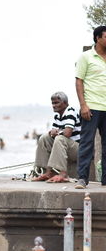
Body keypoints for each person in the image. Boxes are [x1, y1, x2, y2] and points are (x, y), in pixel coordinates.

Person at [75, 26, 106, 189]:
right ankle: (82, 179)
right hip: (91, 107)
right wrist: (83, 105)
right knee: (86, 143)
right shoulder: (86, 57)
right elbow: (79, 80)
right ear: (97, 38)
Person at [32, 92, 81, 183]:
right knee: (44, 137)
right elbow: (52, 133)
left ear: (65, 103)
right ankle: (48, 172)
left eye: (56, 103)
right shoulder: (57, 116)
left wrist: (56, 132)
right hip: (67, 147)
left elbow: (67, 133)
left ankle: (63, 174)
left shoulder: (70, 111)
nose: (54, 106)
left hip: (78, 149)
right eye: (53, 103)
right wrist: (52, 133)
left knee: (60, 138)